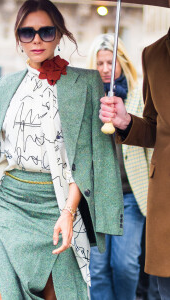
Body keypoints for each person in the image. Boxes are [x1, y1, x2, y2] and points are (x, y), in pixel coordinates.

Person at [0, 0, 124, 299]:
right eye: (27, 32)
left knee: (59, 292)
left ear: (59, 34)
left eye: (45, 31)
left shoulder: (87, 83)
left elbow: (86, 159)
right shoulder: (5, 85)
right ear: (18, 37)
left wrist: (68, 211)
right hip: (10, 208)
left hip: (59, 203)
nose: (36, 39)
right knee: (7, 294)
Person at [99, 28, 170, 299]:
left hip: (134, 195)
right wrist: (126, 122)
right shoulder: (153, 55)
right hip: (165, 196)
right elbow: (155, 128)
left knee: (125, 265)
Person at [87, 34, 153, 300]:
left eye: (110, 62)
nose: (105, 69)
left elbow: (150, 144)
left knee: (124, 264)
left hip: (131, 195)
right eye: (100, 63)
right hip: (97, 197)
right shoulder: (88, 99)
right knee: (98, 267)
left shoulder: (139, 96)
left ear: (122, 63)